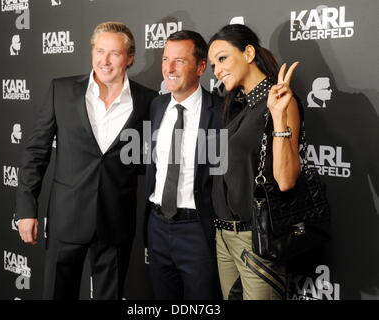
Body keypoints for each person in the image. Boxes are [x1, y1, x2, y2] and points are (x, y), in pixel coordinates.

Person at [15, 21, 157, 300]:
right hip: (66, 219)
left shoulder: (148, 101)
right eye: (99, 51)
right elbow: (36, 153)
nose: (105, 61)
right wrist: (26, 208)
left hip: (115, 221)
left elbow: (151, 158)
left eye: (114, 53)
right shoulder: (61, 90)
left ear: (129, 58)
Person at [207, 24, 301, 300]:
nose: (217, 70)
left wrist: (279, 115)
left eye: (222, 58)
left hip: (256, 239)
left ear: (248, 52)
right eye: (213, 64)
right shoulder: (238, 105)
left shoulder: (281, 100)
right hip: (223, 237)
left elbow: (285, 180)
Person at [144, 30, 222, 299]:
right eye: (166, 59)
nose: (169, 68)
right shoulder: (156, 106)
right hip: (156, 225)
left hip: (198, 231)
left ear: (201, 67)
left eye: (179, 60)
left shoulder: (222, 111)